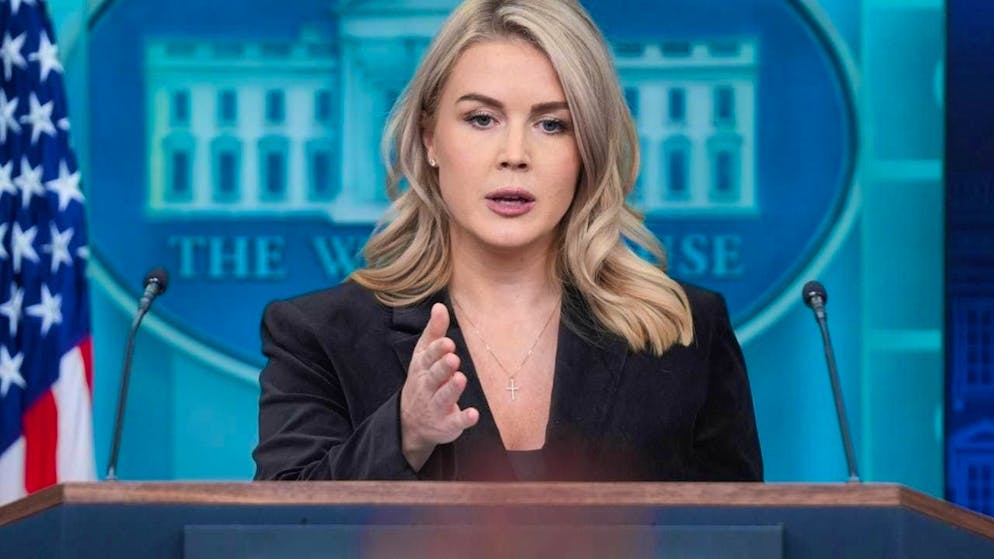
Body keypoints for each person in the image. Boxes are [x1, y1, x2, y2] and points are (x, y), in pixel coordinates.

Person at [253, 0, 763, 481]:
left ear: (588, 149)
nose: (514, 154)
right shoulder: (317, 336)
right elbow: (278, 532)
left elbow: (742, 538)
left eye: (551, 124)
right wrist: (403, 435)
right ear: (430, 138)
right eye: (481, 119)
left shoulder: (685, 334)